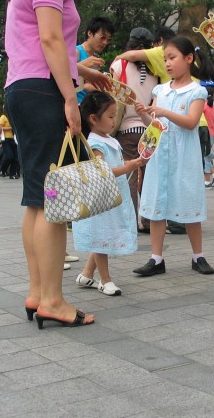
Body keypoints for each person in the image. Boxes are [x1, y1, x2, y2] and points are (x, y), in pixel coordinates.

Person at [4, 0, 109, 328]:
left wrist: (82, 73)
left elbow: (42, 44)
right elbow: (49, 40)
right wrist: (70, 95)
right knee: (54, 201)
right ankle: (53, 299)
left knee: (36, 198)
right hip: (42, 90)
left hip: (23, 87)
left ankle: (37, 293)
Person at [133, 36, 214, 276]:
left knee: (189, 204)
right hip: (161, 154)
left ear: (188, 59)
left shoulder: (197, 91)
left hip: (184, 156)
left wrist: (163, 112)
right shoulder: (160, 89)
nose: (168, 64)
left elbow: (191, 123)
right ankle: (156, 258)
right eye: (165, 59)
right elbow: (156, 124)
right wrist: (143, 115)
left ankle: (198, 256)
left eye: (172, 58)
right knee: (158, 205)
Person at [73, 91, 145, 296]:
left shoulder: (108, 139)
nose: (115, 120)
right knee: (102, 236)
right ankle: (105, 280)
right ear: (93, 119)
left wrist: (133, 164)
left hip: (112, 198)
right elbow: (103, 171)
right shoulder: (96, 143)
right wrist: (128, 167)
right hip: (102, 200)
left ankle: (87, 274)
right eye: (111, 116)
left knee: (102, 237)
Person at [110, 27, 159, 229]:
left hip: (127, 129)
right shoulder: (157, 68)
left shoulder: (119, 65)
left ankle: (130, 221)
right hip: (151, 129)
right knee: (149, 178)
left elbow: (112, 96)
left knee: (129, 175)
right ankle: (148, 221)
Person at [76, 16, 115, 103]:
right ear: (89, 33)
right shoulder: (77, 52)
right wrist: (83, 65)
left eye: (108, 40)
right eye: (102, 37)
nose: (105, 42)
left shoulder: (95, 59)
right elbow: (63, 76)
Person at [0, 109, 19, 179]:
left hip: (13, 139)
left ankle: (12, 174)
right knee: (9, 156)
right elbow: (0, 128)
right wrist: (11, 128)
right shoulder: (3, 117)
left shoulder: (12, 118)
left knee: (16, 158)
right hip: (6, 139)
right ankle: (2, 170)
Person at [202, 93, 214, 187]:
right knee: (208, 154)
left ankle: (207, 181)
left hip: (205, 132)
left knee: (205, 156)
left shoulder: (204, 106)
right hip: (212, 132)